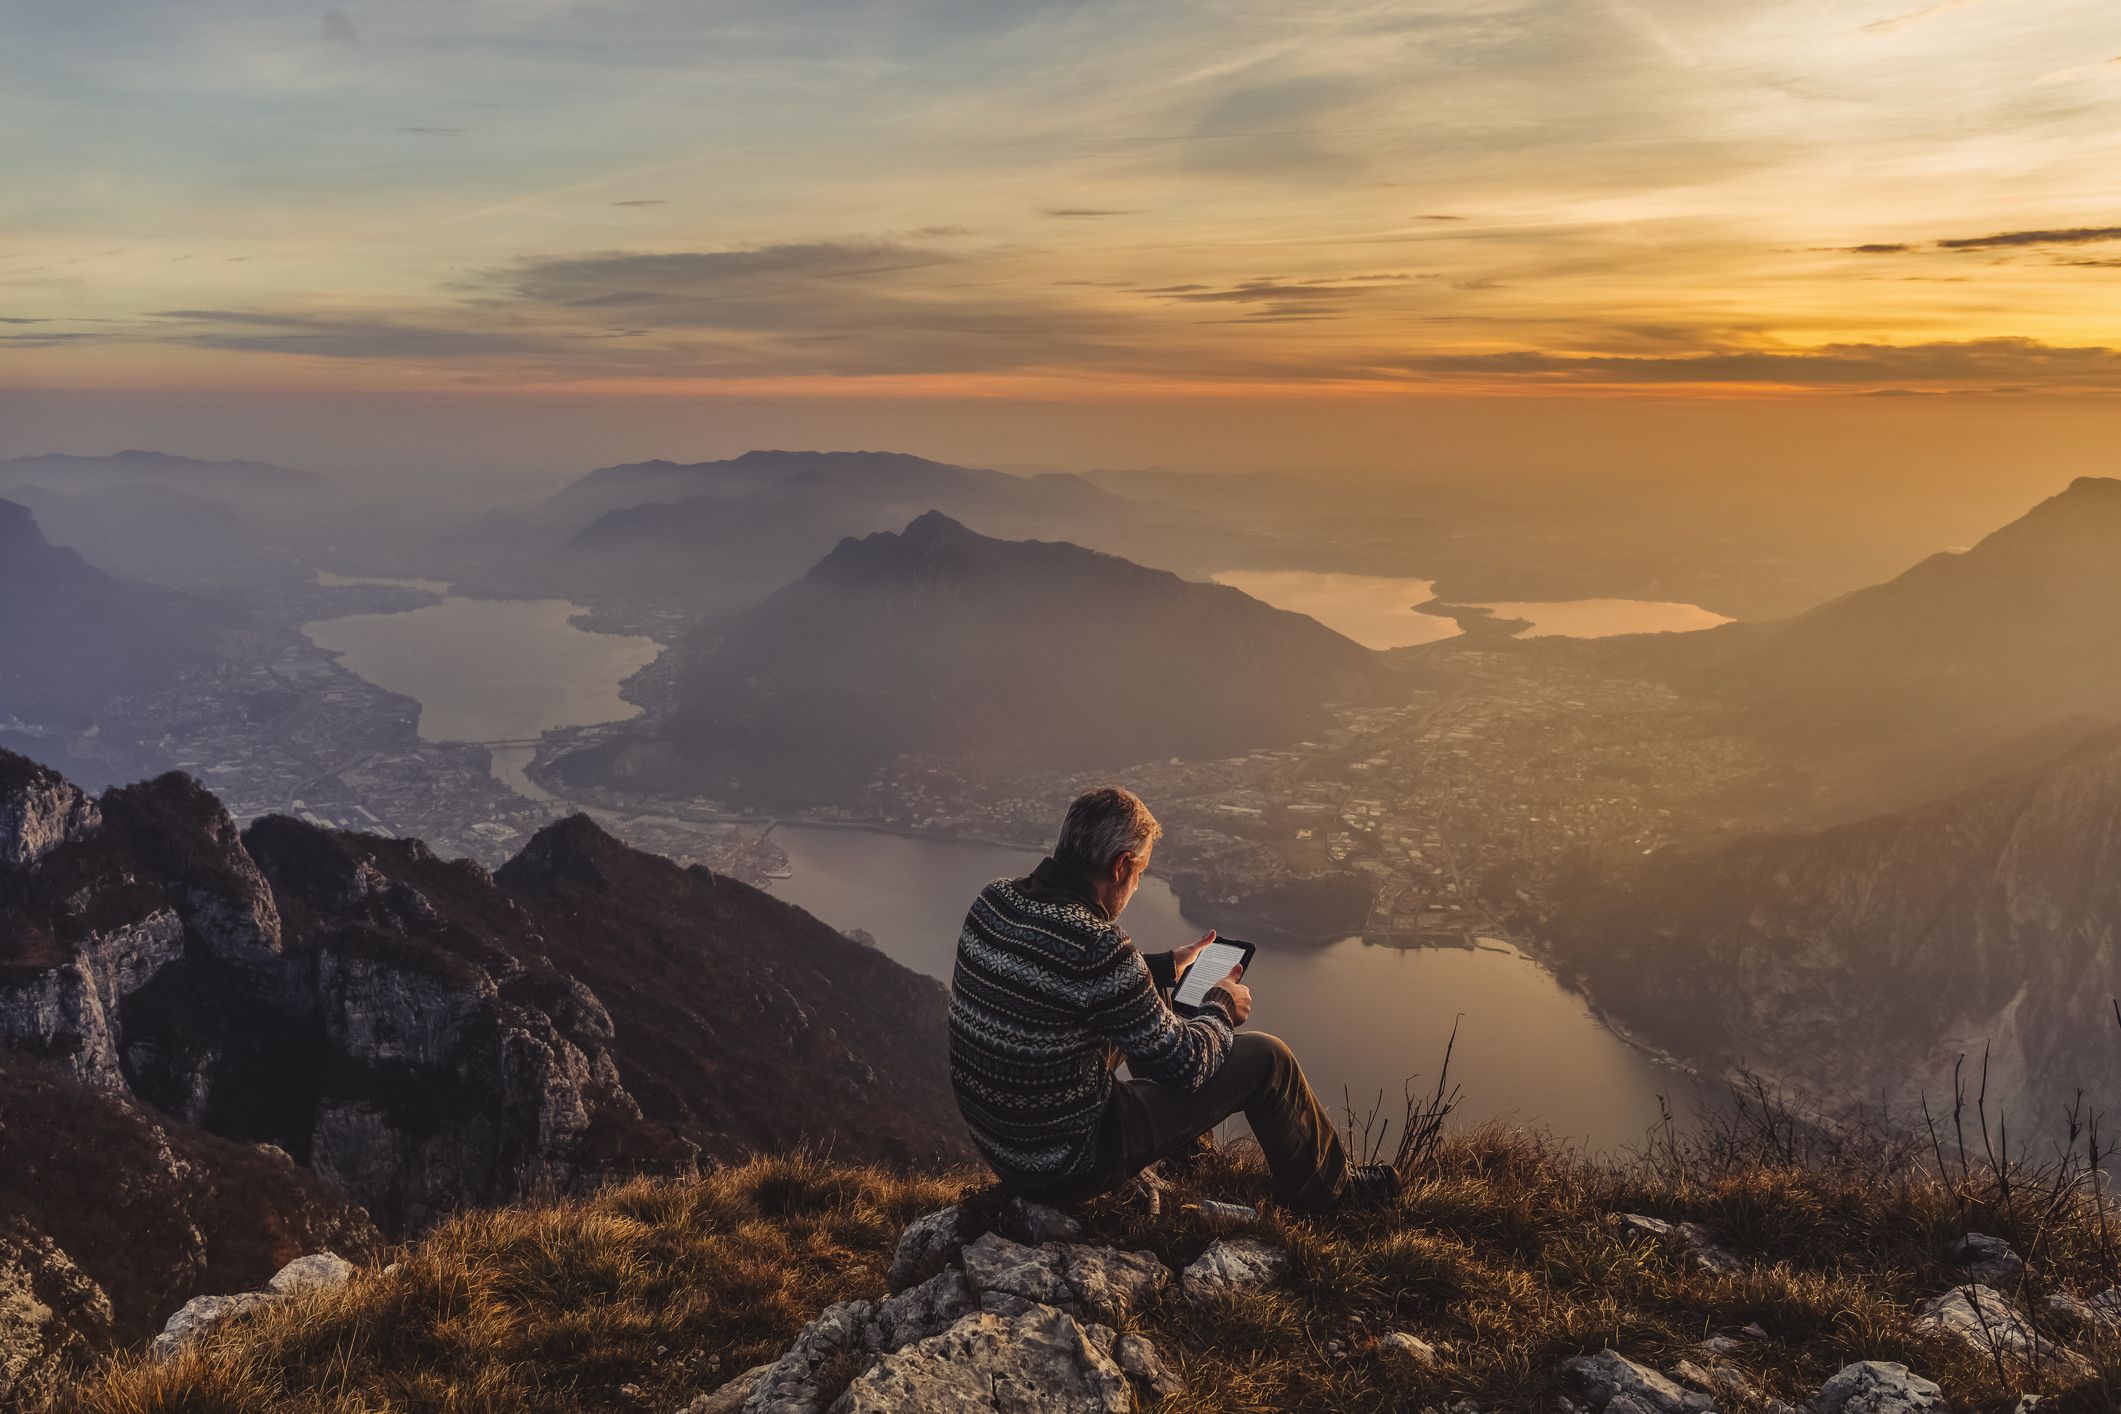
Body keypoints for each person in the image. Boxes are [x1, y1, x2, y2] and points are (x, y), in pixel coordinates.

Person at [948, 785, 1405, 1210]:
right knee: (1270, 1060)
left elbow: (1057, 977)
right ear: (1121, 866)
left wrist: (1164, 967)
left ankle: (1188, 1158)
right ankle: (1333, 1192)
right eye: (1141, 872)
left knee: (1155, 1004)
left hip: (1003, 1145)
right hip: (1068, 1162)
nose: (1138, 885)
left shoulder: (993, 901)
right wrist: (1221, 1006)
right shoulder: (1098, 945)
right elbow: (1187, 1065)